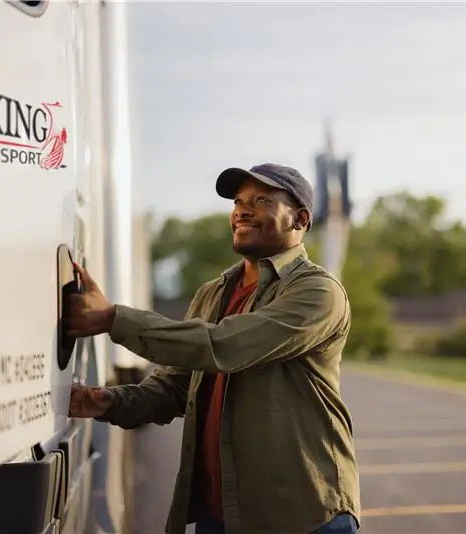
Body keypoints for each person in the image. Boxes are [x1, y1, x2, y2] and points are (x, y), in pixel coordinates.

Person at [64, 163, 360, 534]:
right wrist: (107, 401)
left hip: (302, 516)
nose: (242, 210)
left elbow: (224, 346)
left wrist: (113, 320)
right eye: (238, 201)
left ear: (299, 219)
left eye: (262, 200)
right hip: (220, 515)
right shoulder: (214, 292)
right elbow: (176, 387)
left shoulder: (318, 292)